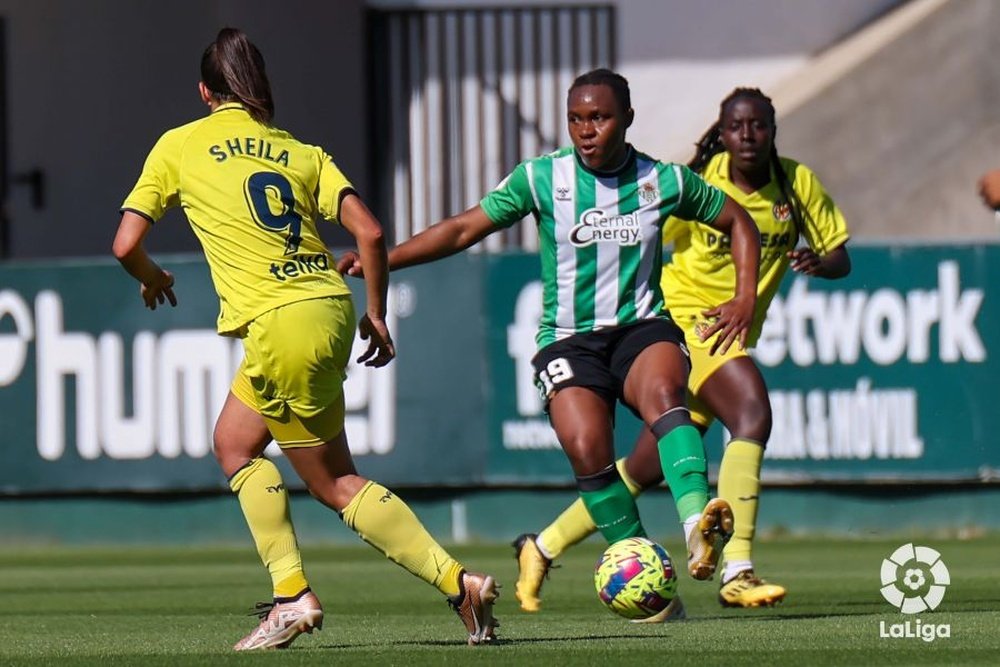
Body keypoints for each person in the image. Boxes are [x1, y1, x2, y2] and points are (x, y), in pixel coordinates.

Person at [112, 28, 498, 650]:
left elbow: (126, 244)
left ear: (204, 91)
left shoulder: (179, 145)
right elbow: (370, 233)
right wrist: (375, 312)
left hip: (278, 322)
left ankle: (443, 585)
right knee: (234, 443)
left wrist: (153, 277)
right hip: (327, 305)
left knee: (334, 482)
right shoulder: (298, 151)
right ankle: (297, 592)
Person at [341, 69, 761, 597]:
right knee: (587, 447)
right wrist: (386, 259)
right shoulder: (542, 178)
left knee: (665, 396)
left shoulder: (663, 181)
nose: (586, 130)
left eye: (600, 118)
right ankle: (647, 582)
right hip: (568, 339)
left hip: (641, 326)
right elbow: (464, 228)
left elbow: (738, 221)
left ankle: (696, 525)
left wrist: (743, 297)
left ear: (626, 119)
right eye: (576, 119)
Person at [511, 87, 852, 614]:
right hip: (692, 319)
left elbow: (839, 258)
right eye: (736, 126)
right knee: (752, 412)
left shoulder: (796, 183)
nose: (747, 136)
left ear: (772, 131)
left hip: (733, 326)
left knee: (644, 467)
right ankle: (736, 568)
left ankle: (543, 545)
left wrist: (815, 262)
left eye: (758, 126)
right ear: (722, 131)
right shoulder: (701, 179)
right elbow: (639, 225)